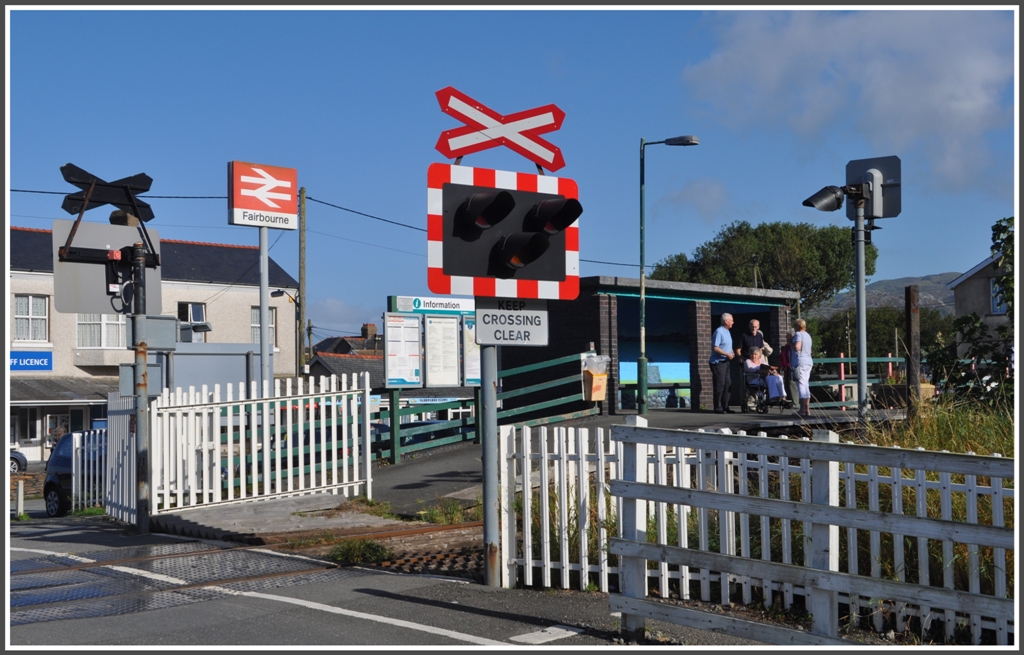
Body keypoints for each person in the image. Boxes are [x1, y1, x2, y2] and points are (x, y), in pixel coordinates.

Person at [709, 313, 735, 414]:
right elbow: (715, 348)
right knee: (719, 384)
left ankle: (725, 406)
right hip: (718, 362)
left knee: (728, 383)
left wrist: (731, 351)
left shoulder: (727, 332)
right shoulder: (719, 332)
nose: (733, 322)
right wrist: (727, 354)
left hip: (726, 361)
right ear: (726, 321)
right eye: (731, 320)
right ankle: (718, 407)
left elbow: (726, 344)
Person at [792, 318, 813, 417]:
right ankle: (807, 409)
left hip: (800, 362)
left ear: (797, 326)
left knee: (801, 385)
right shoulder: (808, 335)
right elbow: (810, 351)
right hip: (808, 362)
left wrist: (790, 343)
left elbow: (797, 347)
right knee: (806, 385)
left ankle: (802, 409)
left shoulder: (798, 335)